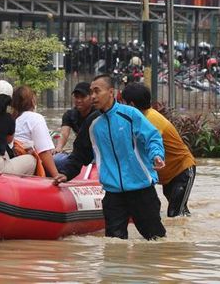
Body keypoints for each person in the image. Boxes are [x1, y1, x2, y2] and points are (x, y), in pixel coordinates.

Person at [56, 75, 166, 240]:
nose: (92, 96)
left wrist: (156, 155)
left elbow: (152, 137)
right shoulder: (92, 124)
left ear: (111, 92)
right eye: (91, 92)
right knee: (114, 244)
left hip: (141, 190)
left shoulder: (130, 115)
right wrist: (66, 173)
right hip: (113, 193)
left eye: (97, 91)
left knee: (156, 240)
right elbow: (80, 153)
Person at [120, 83, 196, 218]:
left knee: (175, 215)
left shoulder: (150, 119)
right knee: (180, 213)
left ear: (131, 105)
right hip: (168, 176)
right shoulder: (141, 118)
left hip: (182, 170)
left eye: (122, 103)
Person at [10, 86, 61, 178]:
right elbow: (44, 151)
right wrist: (56, 175)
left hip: (14, 161)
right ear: (32, 101)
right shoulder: (35, 118)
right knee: (64, 160)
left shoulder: (11, 118)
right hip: (28, 163)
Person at [53, 82, 96, 170]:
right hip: (81, 152)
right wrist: (59, 147)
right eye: (76, 97)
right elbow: (64, 134)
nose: (79, 100)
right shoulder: (69, 115)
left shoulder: (98, 114)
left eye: (83, 97)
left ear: (91, 97)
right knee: (55, 160)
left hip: (97, 153)